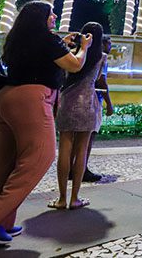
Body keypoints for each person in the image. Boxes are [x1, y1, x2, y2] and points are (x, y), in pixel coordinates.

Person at [0, 1, 91, 245]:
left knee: (3, 163)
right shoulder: (47, 40)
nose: (54, 16)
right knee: (40, 157)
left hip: (5, 98)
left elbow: (42, 57)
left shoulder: (17, 39)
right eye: (50, 13)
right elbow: (75, 65)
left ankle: (0, 221)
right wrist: (84, 48)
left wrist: (62, 44)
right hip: (31, 100)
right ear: (40, 18)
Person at [50, 22, 105, 210]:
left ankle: (61, 198)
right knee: (82, 150)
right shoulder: (101, 57)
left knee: (64, 148)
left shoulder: (72, 54)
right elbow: (98, 78)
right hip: (88, 103)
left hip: (67, 101)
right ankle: (75, 198)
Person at [80, 35, 115, 183]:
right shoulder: (101, 57)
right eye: (109, 44)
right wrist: (109, 104)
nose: (110, 47)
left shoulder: (84, 54)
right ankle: (82, 169)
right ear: (103, 44)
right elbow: (102, 81)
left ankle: (74, 168)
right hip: (94, 98)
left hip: (78, 98)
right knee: (89, 136)